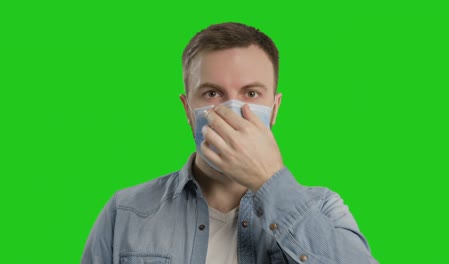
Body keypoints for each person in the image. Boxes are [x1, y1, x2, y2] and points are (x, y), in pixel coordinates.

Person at [82, 22, 378, 264]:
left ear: (274, 109)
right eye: (212, 93)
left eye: (251, 94)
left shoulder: (322, 208)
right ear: (187, 110)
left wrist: (269, 181)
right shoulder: (125, 212)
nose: (231, 108)